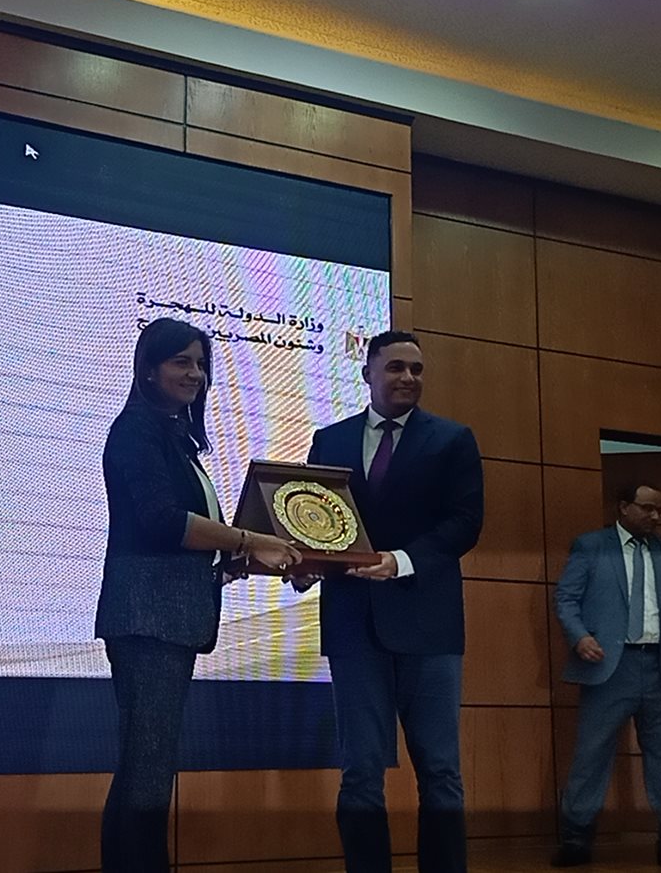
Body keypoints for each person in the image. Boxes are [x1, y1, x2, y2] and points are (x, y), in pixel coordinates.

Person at [96, 317, 303, 873]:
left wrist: (243, 559)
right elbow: (162, 522)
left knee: (145, 767)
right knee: (148, 770)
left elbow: (180, 538)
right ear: (148, 370)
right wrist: (251, 540)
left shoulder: (172, 435)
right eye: (181, 361)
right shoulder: (136, 431)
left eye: (201, 364)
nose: (195, 374)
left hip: (168, 614)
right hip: (149, 618)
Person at [296, 330, 484, 873]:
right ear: (367, 374)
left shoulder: (453, 439)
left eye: (416, 370)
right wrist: (304, 562)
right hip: (353, 625)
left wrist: (400, 560)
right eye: (396, 367)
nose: (408, 377)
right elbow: (315, 519)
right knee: (360, 773)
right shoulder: (329, 441)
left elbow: (466, 522)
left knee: (441, 772)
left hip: (429, 626)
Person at [551, 483, 661, 871]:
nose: (655, 516)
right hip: (609, 669)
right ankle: (576, 841)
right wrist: (579, 637)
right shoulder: (591, 546)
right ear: (624, 507)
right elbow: (565, 599)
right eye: (647, 508)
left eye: (659, 510)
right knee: (591, 757)